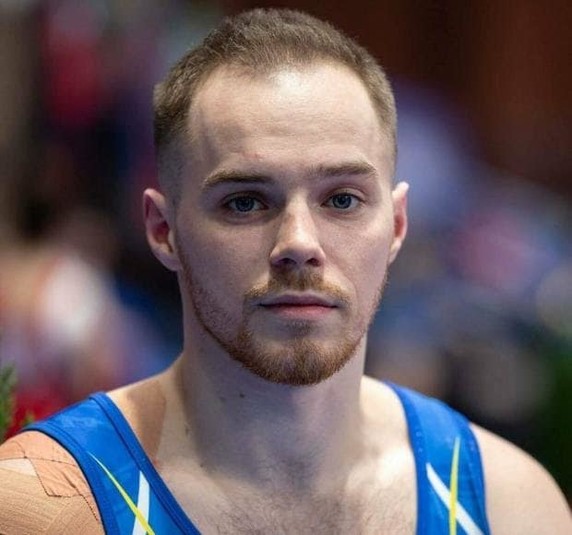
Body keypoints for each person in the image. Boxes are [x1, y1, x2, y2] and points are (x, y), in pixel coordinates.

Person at [0, 8, 569, 534]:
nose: (299, 243)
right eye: (245, 202)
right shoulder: (44, 507)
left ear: (397, 225)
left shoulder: (512, 505)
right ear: (162, 229)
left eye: (342, 200)